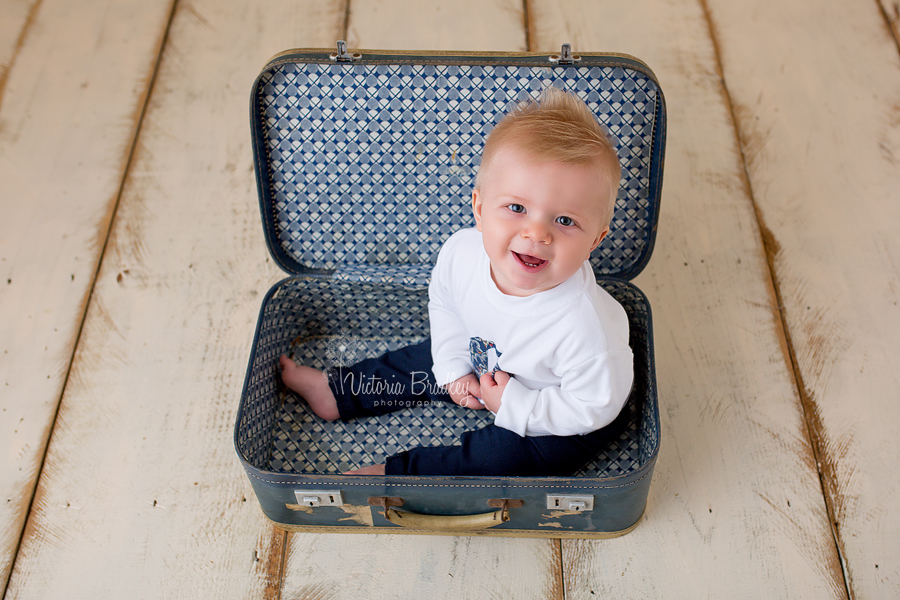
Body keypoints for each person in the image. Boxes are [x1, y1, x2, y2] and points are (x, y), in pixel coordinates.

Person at [279, 86, 634, 476]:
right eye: (516, 208)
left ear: (595, 241)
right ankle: (338, 391)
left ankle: (397, 476)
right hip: (490, 356)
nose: (537, 234)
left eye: (565, 221)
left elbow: (593, 407)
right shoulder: (463, 254)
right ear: (480, 209)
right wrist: (453, 370)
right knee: (422, 359)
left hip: (562, 404)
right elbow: (446, 307)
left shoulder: (585, 330)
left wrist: (513, 405)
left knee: (500, 459)